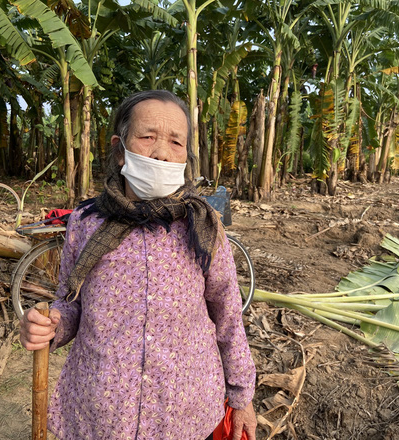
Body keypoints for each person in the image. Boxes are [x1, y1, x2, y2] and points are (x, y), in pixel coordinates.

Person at [20, 90, 257, 440]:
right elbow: (70, 303)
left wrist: (242, 396)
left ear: (186, 156)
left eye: (176, 142)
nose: (162, 151)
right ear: (120, 149)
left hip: (183, 411)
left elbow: (228, 313)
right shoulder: (86, 222)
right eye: (147, 137)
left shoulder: (204, 227)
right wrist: (51, 326)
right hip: (102, 410)